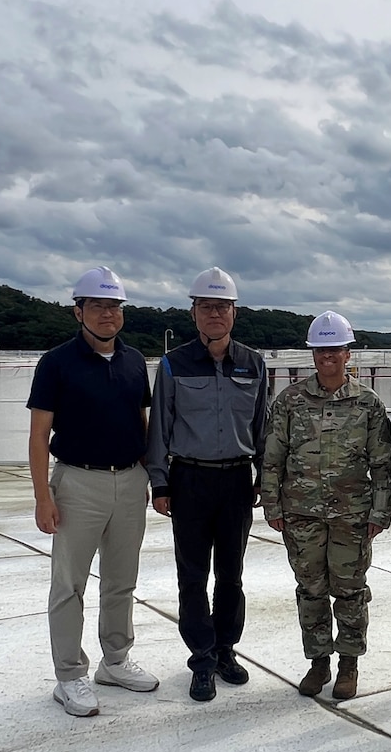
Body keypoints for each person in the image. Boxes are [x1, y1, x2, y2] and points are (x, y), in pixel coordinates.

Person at [28, 266, 157, 717]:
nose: (108, 314)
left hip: (128, 478)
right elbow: (38, 434)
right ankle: (69, 676)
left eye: (115, 306)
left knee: (122, 580)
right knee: (69, 585)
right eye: (98, 306)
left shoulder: (134, 361)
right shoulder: (56, 363)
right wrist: (44, 496)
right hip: (77, 482)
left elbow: (140, 422)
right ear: (78, 311)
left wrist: (146, 476)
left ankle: (116, 661)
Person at [145, 267, 268, 704]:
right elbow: (159, 426)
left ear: (234, 313)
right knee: (192, 577)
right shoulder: (174, 363)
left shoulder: (253, 363)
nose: (215, 314)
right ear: (194, 313)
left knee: (231, 577)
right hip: (190, 479)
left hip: (236, 480)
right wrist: (160, 484)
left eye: (223, 306)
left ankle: (225, 649)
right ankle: (200, 660)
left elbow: (262, 427)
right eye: (206, 306)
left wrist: (262, 478)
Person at [262, 310, 391, 701]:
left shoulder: (368, 404)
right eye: (321, 351)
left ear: (347, 354)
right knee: (311, 589)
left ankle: (349, 664)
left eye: (335, 350)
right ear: (313, 354)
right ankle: (318, 662)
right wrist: (272, 505)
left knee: (351, 590)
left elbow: (382, 463)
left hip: (352, 516)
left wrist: (380, 512)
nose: (328, 357)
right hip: (301, 514)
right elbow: (273, 456)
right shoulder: (290, 401)